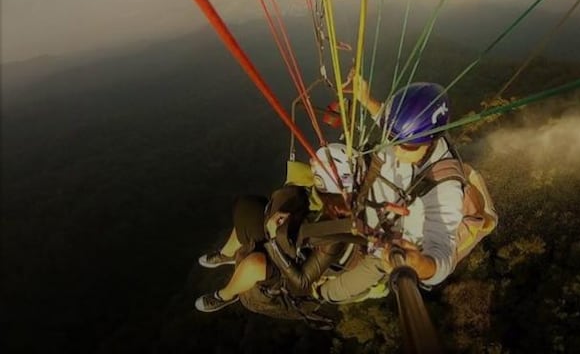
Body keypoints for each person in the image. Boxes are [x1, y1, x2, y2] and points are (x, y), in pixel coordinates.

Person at [317, 79, 465, 303]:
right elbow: (387, 120)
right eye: (393, 137)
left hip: (385, 246)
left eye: (407, 146)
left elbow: (443, 252)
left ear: (431, 139)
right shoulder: (410, 136)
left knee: (341, 286)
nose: (396, 149)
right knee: (329, 158)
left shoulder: (444, 186)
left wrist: (419, 265)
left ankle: (319, 295)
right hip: (367, 205)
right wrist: (365, 99)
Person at [194, 144, 361, 314]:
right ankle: (228, 254)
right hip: (290, 241)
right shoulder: (337, 201)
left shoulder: (334, 234)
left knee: (254, 263)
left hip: (292, 272)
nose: (312, 163)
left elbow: (302, 281)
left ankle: (225, 296)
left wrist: (274, 240)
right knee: (246, 206)